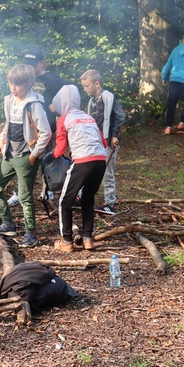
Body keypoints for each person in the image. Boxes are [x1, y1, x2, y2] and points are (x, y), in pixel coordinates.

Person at [0, 64, 52, 247]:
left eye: (17, 85)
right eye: (10, 84)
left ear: (29, 83)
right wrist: (1, 139)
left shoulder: (34, 105)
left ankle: (31, 234)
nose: (13, 88)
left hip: (25, 156)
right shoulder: (9, 100)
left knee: (24, 197)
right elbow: (8, 124)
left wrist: (35, 155)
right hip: (9, 154)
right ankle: (8, 223)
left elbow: (46, 133)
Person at [50, 85, 107, 252]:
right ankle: (88, 239)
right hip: (100, 161)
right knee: (88, 198)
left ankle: (66, 241)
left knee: (64, 201)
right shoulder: (89, 117)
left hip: (82, 162)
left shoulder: (63, 119)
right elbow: (103, 142)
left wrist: (49, 156)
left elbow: (60, 149)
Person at [7, 47, 66, 207]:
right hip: (24, 128)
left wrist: (59, 124)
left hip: (46, 128)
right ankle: (19, 193)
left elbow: (64, 102)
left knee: (46, 160)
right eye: (26, 63)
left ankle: (47, 191)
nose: (29, 66)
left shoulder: (54, 81)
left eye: (32, 64)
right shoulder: (21, 78)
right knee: (23, 160)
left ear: (42, 63)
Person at [80, 69, 126, 215]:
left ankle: (109, 203)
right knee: (88, 169)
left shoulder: (108, 97)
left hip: (108, 141)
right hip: (94, 141)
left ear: (97, 83)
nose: (85, 89)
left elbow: (120, 116)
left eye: (87, 86)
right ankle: (83, 196)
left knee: (107, 172)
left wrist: (113, 135)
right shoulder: (92, 101)